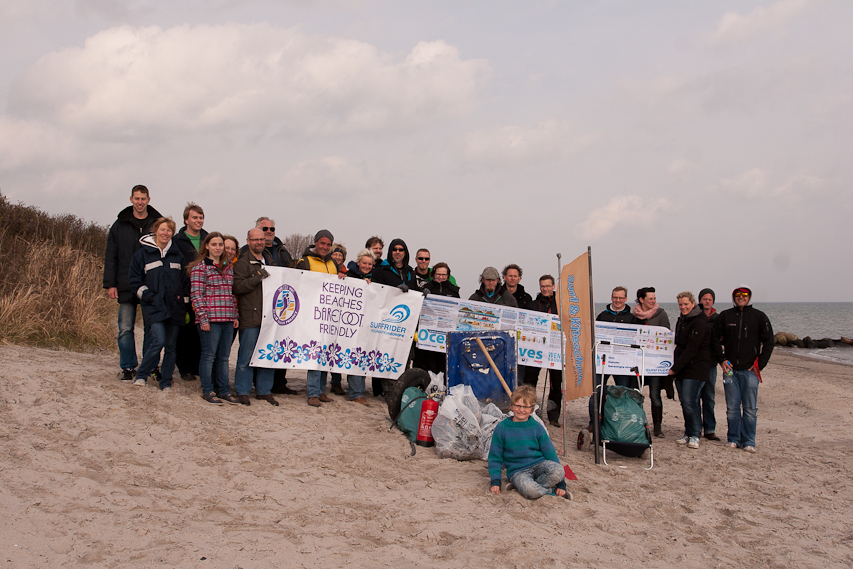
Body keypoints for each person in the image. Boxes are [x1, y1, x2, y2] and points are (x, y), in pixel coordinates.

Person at [103, 185, 162, 382]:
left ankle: (150, 366)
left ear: (148, 199)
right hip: (125, 283)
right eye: (136, 198)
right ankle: (128, 366)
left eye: (143, 198)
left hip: (151, 286)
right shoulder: (119, 225)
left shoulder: (157, 224)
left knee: (151, 329)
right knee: (126, 328)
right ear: (131, 199)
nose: (140, 202)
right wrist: (110, 284)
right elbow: (111, 256)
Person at [710, 286, 774, 453]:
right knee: (732, 408)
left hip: (750, 370)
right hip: (730, 369)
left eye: (744, 295)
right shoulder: (725, 316)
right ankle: (733, 439)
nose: (741, 297)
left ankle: (749, 441)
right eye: (737, 295)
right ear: (733, 297)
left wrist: (760, 363)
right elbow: (714, 339)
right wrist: (721, 360)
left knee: (750, 408)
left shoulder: (759, 316)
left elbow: (769, 342)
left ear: (749, 297)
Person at [127, 217, 188, 391]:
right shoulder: (142, 254)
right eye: (162, 229)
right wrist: (149, 297)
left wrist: (184, 306)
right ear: (155, 231)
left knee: (171, 347)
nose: (165, 233)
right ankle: (141, 375)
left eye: (169, 230)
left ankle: (166, 382)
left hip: (174, 308)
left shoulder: (177, 255)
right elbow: (134, 282)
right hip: (154, 307)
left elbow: (184, 283)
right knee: (158, 341)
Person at [488, 385, 569, 500]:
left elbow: (550, 454)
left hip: (539, 466)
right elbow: (495, 457)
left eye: (525, 407)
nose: (521, 410)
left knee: (558, 471)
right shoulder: (502, 428)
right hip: (518, 471)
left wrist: (561, 484)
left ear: (531, 409)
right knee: (531, 490)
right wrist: (495, 481)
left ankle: (526, 486)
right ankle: (549, 491)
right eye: (518, 406)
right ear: (511, 406)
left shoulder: (537, 427)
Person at [295, 229, 346, 406]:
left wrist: (342, 277)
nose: (325, 247)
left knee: (326, 353)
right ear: (316, 243)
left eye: (328, 244)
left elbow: (340, 282)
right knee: (315, 353)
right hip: (312, 315)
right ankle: (312, 393)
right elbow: (298, 285)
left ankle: (321, 390)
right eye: (322, 243)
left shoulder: (333, 263)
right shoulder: (305, 261)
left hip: (330, 316)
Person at [189, 232, 240, 405]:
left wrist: (235, 315)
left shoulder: (228, 267)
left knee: (224, 357)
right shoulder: (200, 267)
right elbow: (196, 295)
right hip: (210, 319)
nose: (218, 248)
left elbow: (231, 294)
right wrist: (203, 318)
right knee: (209, 356)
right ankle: (208, 390)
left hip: (227, 318)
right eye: (214, 244)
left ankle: (224, 390)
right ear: (207, 247)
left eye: (220, 245)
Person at [232, 228, 279, 407]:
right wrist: (257, 276)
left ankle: (264, 391)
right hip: (250, 317)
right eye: (255, 239)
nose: (259, 242)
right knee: (246, 357)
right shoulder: (242, 263)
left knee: (267, 357)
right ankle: (243, 391)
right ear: (248, 241)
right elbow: (238, 287)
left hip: (269, 319)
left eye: (261, 239)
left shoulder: (271, 262)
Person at [255, 217, 296, 396]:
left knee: (281, 344)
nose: (269, 231)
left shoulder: (283, 252)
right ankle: (258, 384)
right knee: (261, 344)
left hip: (281, 305)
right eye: (265, 228)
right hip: (259, 304)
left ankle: (280, 383)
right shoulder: (248, 251)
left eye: (272, 228)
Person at [668, 292, 712, 449]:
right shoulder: (682, 320)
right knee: (685, 402)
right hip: (682, 368)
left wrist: (674, 368)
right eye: (680, 304)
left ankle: (695, 434)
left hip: (696, 368)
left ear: (693, 303)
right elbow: (679, 345)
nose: (683, 307)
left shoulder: (700, 321)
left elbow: (692, 349)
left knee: (690, 401)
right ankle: (688, 432)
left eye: (686, 304)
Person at [588, 286, 636, 431]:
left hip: (622, 363)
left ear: (626, 299)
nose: (618, 300)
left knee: (622, 394)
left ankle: (620, 424)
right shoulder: (602, 315)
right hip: (602, 360)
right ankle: (593, 423)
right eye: (615, 297)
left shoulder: (631, 318)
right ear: (611, 297)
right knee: (596, 392)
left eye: (621, 298)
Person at [174, 202, 208, 382]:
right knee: (184, 332)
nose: (199, 220)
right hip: (185, 290)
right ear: (186, 219)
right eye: (195, 217)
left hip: (204, 292)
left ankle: (196, 366)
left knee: (199, 331)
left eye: (201, 217)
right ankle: (184, 368)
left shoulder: (207, 239)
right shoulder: (177, 240)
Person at [633, 286, 672, 437]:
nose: (653, 301)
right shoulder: (634, 315)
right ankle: (637, 423)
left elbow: (667, 335)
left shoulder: (661, 314)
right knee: (636, 393)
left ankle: (658, 427)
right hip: (638, 362)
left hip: (655, 363)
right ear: (641, 300)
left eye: (654, 298)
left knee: (655, 395)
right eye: (650, 299)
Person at [341, 249, 376, 406]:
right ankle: (356, 393)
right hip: (348, 323)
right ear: (358, 263)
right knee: (354, 355)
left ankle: (358, 390)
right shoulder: (350, 275)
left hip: (365, 323)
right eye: (364, 263)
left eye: (370, 264)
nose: (367, 266)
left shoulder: (371, 278)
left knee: (362, 355)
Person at [528, 275, 562, 427]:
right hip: (536, 349)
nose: (545, 289)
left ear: (553, 286)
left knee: (556, 383)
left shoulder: (560, 304)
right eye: (543, 286)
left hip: (555, 349)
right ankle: (530, 411)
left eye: (548, 286)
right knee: (530, 381)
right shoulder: (533, 304)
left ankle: (553, 416)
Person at [698, 288, 720, 441]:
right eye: (704, 298)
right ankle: (696, 428)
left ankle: (710, 429)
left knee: (709, 397)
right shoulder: (694, 316)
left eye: (710, 299)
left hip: (711, 364)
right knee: (694, 397)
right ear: (700, 300)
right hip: (696, 364)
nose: (707, 301)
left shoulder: (718, 318)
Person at [329, 242, 348, 396]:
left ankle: (336, 382)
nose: (337, 257)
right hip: (327, 313)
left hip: (342, 315)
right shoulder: (327, 268)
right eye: (334, 254)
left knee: (337, 349)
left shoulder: (346, 273)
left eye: (340, 255)